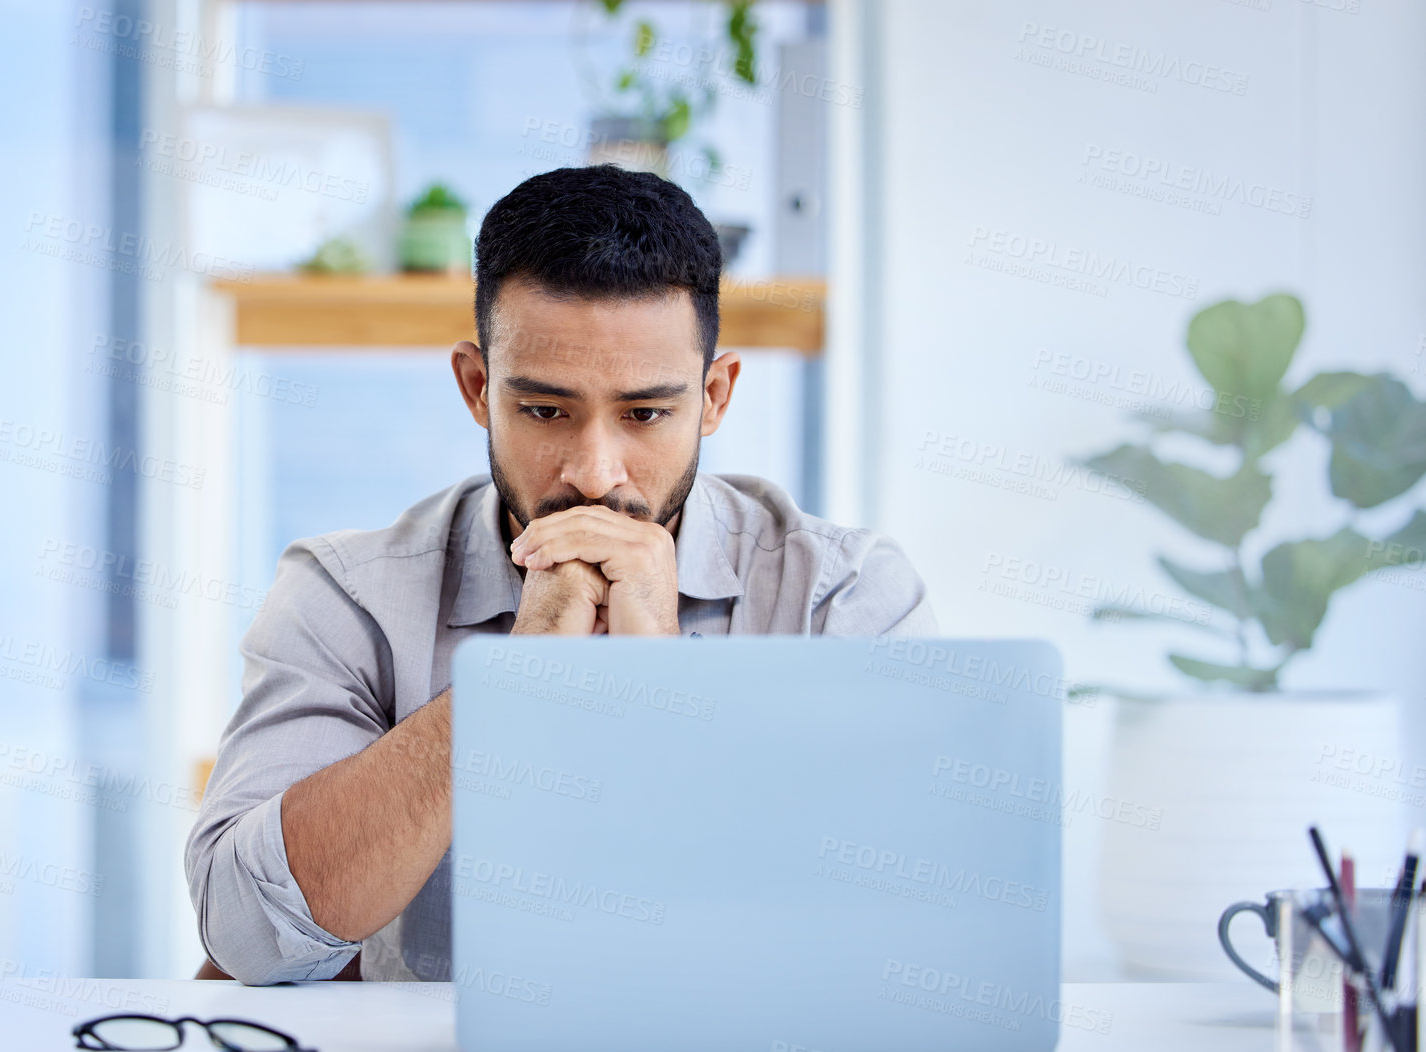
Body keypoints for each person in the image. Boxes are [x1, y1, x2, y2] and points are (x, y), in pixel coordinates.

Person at [186, 164, 939, 984]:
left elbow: (905, 936)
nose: (592, 472)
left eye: (645, 414)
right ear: (477, 388)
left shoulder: (843, 593)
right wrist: (511, 678)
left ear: (715, 398)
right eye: (545, 411)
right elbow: (247, 939)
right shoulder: (351, 594)